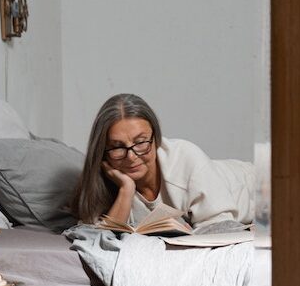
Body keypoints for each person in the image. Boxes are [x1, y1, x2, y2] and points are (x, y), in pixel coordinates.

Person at [72, 93, 250, 229]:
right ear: (103, 152)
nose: (131, 157)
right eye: (118, 147)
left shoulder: (187, 158)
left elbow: (222, 228)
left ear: (156, 139)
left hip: (260, 186)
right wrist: (126, 189)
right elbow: (101, 240)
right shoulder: (107, 181)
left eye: (141, 142)